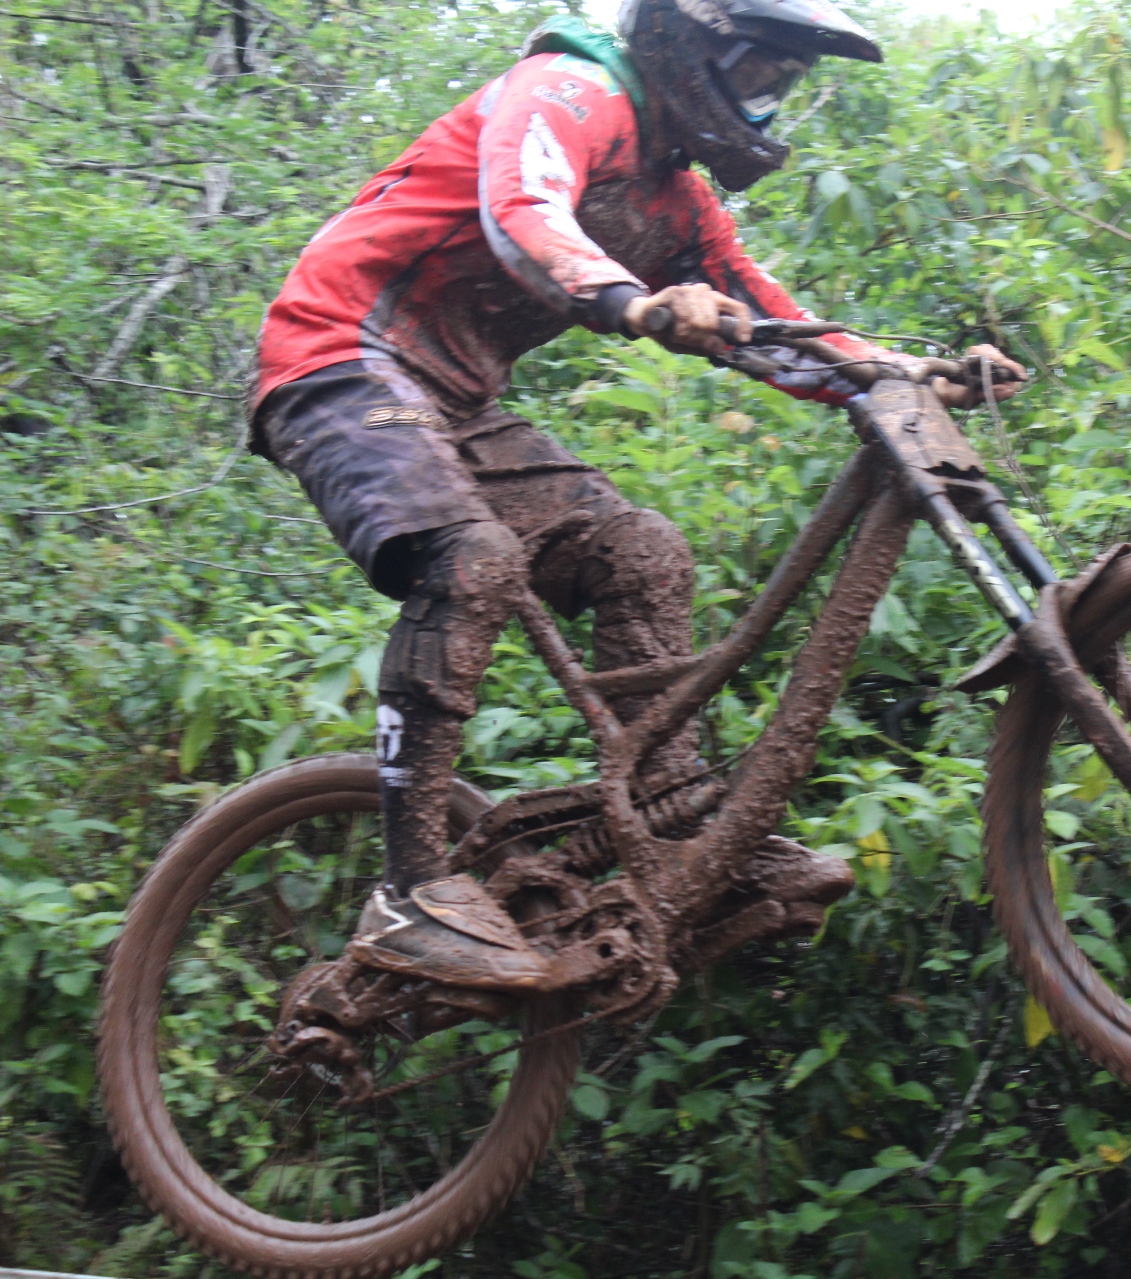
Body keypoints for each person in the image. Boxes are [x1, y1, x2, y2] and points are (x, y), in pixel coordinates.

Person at [251, 0, 1025, 991]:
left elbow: (773, 324)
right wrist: (634, 301)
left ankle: (680, 816)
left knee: (641, 551)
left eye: (779, 83)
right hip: (333, 359)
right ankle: (408, 891)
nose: (761, 99)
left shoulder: (677, 199)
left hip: (450, 402)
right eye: (753, 72)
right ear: (687, 40)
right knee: (473, 558)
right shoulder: (570, 88)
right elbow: (522, 209)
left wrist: (909, 373)